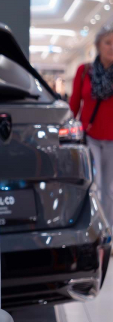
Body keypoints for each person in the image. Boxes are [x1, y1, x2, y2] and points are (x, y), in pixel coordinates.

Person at [70, 25, 113, 228]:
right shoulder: (84, 71)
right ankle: (95, 226)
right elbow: (74, 103)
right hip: (91, 137)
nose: (111, 47)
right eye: (108, 43)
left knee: (109, 188)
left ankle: (108, 229)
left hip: (112, 140)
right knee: (95, 184)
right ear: (98, 45)